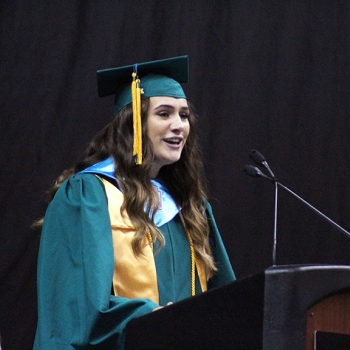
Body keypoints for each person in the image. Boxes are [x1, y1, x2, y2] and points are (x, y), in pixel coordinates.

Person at [33, 55, 235, 349]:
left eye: (183, 115)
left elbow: (224, 300)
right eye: (164, 113)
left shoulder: (192, 207)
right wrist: (150, 318)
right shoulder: (89, 196)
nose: (179, 125)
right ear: (133, 124)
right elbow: (75, 306)